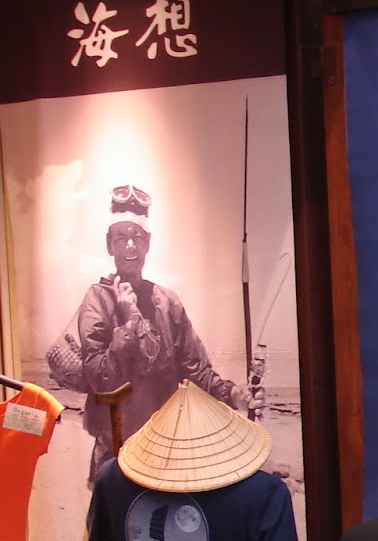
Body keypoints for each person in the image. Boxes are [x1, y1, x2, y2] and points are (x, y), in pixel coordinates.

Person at [57, 184, 249, 481]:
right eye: (121, 237)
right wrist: (127, 323)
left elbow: (195, 372)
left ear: (147, 244)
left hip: (165, 450)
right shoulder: (98, 299)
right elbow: (101, 379)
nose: (130, 246)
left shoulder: (168, 302)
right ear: (109, 245)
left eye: (137, 237)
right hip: (115, 453)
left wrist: (233, 394)